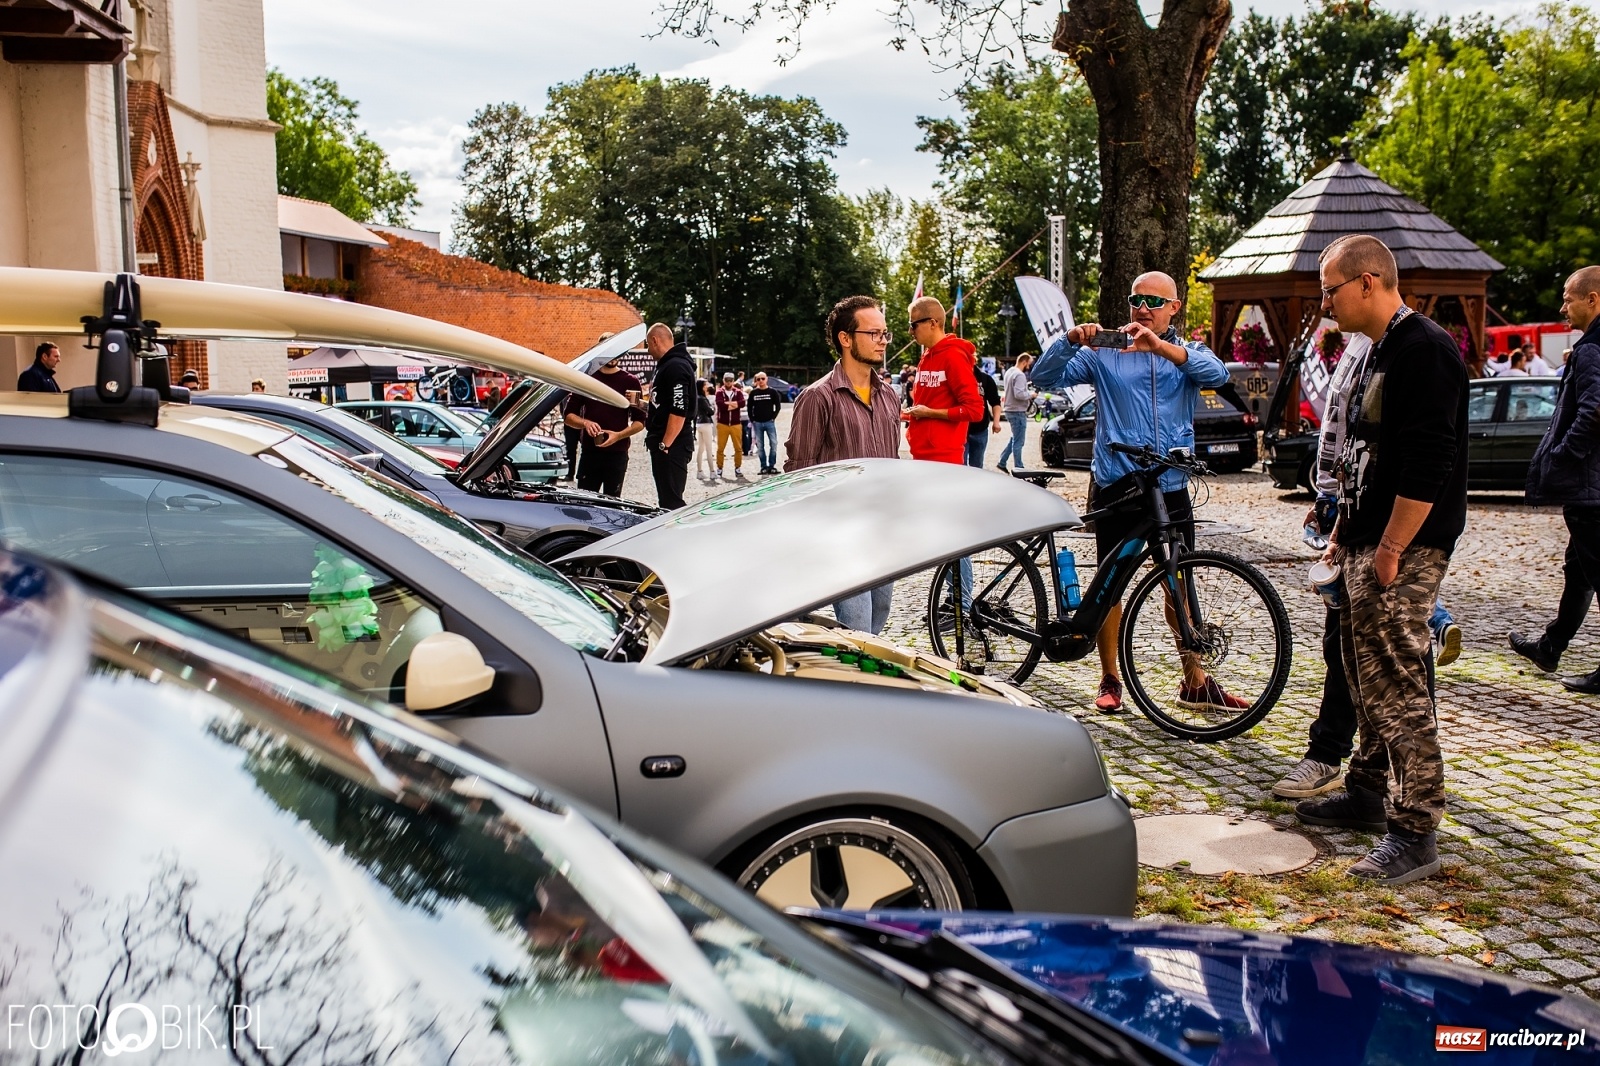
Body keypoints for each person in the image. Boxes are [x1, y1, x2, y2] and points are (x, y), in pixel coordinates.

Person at [1296, 233, 1468, 886]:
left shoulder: (1425, 350)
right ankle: (1367, 792)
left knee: (1397, 683)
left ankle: (1415, 832)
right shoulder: (1376, 349)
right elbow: (1360, 456)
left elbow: (1430, 461)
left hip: (1408, 545)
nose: (1325, 304)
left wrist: (1392, 547)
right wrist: (1343, 533)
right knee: (1362, 672)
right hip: (1365, 540)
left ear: (1367, 282)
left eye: (1330, 291)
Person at [1028, 271, 1238, 716]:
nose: (1142, 308)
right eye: (1135, 299)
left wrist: (1160, 348)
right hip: (1119, 485)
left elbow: (1218, 375)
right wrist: (1070, 340)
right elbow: (1044, 379)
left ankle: (1195, 682)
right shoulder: (1107, 353)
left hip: (1170, 485)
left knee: (1180, 584)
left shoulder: (1187, 354)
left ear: (1174, 308)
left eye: (1154, 301)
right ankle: (1110, 677)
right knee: (1111, 585)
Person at [786, 295, 902, 634]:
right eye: (874, 333)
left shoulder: (889, 395)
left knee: (879, 616)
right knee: (858, 627)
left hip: (883, 527)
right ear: (845, 338)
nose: (883, 340)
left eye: (885, 333)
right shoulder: (818, 397)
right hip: (841, 531)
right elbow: (799, 473)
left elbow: (892, 460)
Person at [1511, 265, 1600, 692]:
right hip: (1592, 487)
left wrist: (1564, 456)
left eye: (1568, 298)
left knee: (1592, 574)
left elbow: (1594, 411)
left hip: (1590, 490)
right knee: (1578, 572)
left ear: (1592, 300)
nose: (1563, 307)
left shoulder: (1591, 349)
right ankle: (1550, 647)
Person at [904, 298, 984, 464]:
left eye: (913, 325)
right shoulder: (927, 355)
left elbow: (975, 411)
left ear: (932, 323)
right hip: (922, 454)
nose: (910, 331)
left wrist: (929, 413)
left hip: (944, 459)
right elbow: (927, 404)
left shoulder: (953, 356)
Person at [563, 354, 645, 497]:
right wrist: (585, 423)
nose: (613, 357)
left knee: (613, 503)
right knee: (585, 501)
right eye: (610, 354)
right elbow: (568, 416)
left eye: (618, 353)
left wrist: (619, 435)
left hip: (617, 454)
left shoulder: (630, 381)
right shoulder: (587, 379)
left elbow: (640, 421)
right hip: (590, 453)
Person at [643, 323, 694, 508]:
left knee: (672, 503)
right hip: (667, 442)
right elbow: (664, 405)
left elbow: (679, 410)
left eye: (648, 345)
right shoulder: (666, 365)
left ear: (655, 340)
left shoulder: (675, 366)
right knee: (666, 500)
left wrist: (665, 445)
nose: (648, 350)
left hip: (673, 445)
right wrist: (642, 405)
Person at [996, 353, 1034, 472]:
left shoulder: (1009, 372)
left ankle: (1002, 461)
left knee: (1015, 437)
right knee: (1019, 441)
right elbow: (1019, 394)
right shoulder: (1019, 375)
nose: (1029, 367)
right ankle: (1019, 467)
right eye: (1029, 364)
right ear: (1024, 362)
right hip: (1018, 411)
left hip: (1009, 409)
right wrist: (1031, 395)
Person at [964, 356, 1003, 469]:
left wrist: (996, 422)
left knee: (977, 466)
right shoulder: (956, 378)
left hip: (980, 430)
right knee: (960, 466)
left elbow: (995, 402)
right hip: (961, 430)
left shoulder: (985, 379)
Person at [746, 372, 784, 474]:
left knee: (774, 443)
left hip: (769, 422)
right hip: (757, 423)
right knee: (760, 446)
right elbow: (749, 407)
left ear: (766, 379)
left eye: (763, 378)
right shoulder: (753, 393)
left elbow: (778, 406)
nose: (761, 381)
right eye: (758, 379)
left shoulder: (772, 392)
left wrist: (773, 417)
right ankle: (763, 466)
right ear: (756, 381)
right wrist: (752, 419)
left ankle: (772, 466)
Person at [714, 372, 746, 479]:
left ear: (733, 381)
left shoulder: (738, 392)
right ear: (723, 380)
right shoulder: (719, 392)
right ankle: (719, 468)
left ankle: (738, 468)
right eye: (726, 380)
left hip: (736, 423)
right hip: (722, 423)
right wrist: (734, 404)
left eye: (730, 380)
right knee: (720, 448)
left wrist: (728, 404)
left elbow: (742, 403)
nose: (728, 382)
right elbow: (720, 405)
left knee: (738, 448)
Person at [694, 379, 717, 480]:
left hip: (699, 423)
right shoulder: (702, 398)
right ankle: (712, 471)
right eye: (705, 384)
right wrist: (712, 409)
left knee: (700, 449)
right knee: (709, 449)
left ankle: (699, 471)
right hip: (706, 423)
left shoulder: (696, 397)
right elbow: (710, 411)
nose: (707, 386)